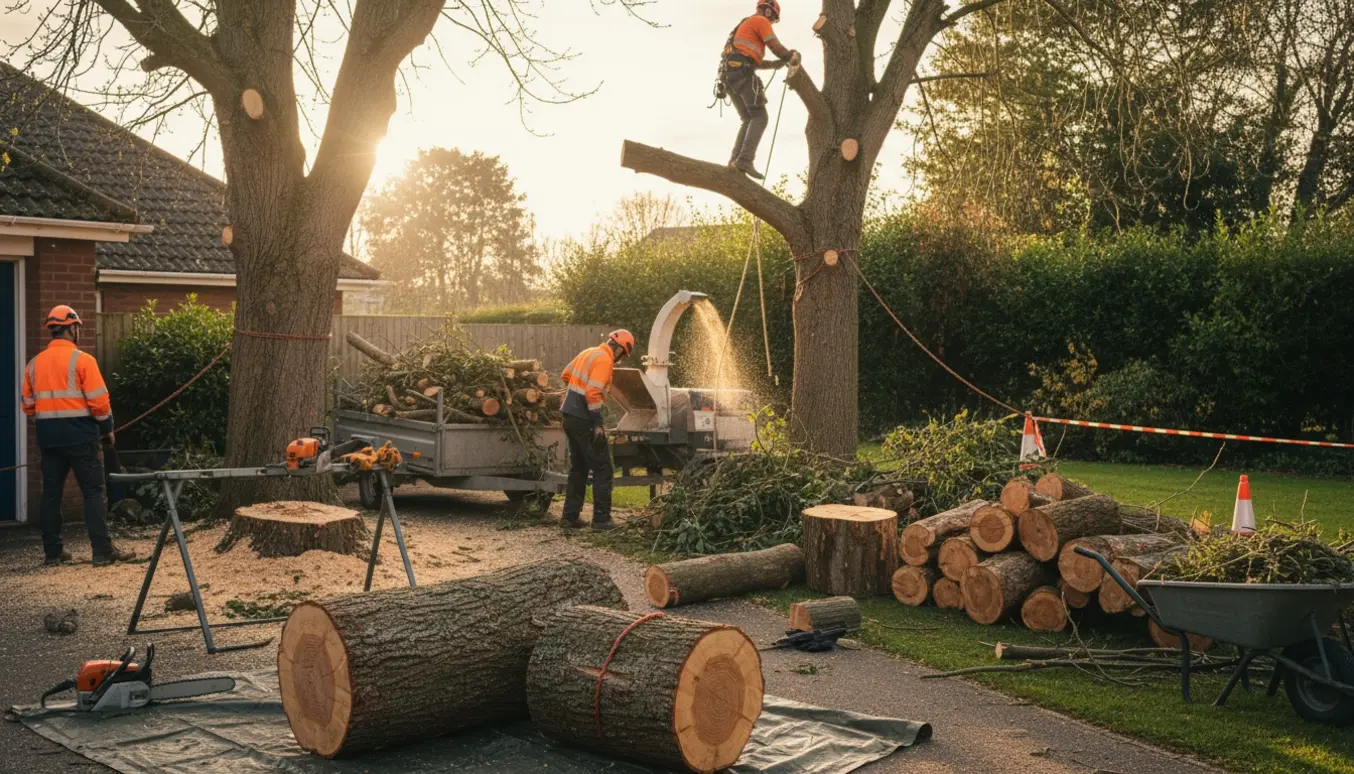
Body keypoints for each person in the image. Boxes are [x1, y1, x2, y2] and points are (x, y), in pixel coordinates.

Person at [21, 305, 134, 567]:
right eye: (76, 327)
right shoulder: (83, 361)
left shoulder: (34, 365)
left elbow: (27, 405)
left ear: (52, 331)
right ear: (72, 329)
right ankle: (101, 552)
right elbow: (100, 403)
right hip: (82, 438)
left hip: (49, 440)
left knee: (51, 494)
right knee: (93, 492)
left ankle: (52, 553)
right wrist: (107, 431)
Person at [559, 330, 635, 531]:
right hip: (585, 420)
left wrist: (576, 394)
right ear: (619, 348)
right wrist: (597, 422)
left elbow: (565, 374)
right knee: (603, 469)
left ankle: (569, 518)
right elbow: (592, 393)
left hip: (569, 416)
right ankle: (601, 521)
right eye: (622, 355)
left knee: (579, 469)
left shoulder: (589, 352)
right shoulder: (604, 361)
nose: (620, 360)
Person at [721, 0, 799, 179]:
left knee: (748, 118)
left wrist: (776, 64)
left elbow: (754, 61)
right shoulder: (761, 21)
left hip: (730, 75)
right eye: (773, 19)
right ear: (769, 13)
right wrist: (789, 56)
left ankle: (735, 162)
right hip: (741, 72)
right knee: (760, 117)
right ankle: (745, 160)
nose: (771, 24)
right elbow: (774, 45)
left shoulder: (746, 25)